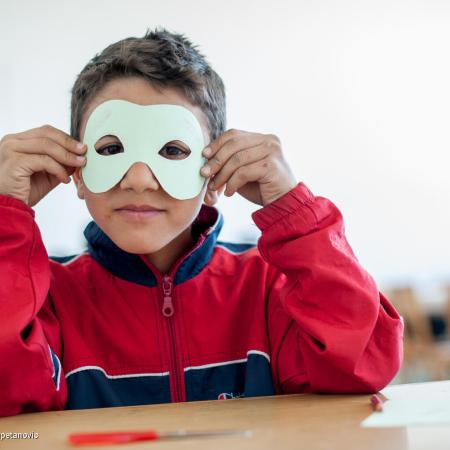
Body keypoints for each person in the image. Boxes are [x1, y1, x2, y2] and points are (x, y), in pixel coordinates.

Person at [0, 28, 403, 417]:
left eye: (173, 150)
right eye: (112, 148)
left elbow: (363, 364)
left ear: (213, 175)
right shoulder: (44, 299)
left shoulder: (267, 289)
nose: (139, 178)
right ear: (79, 173)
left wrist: (293, 209)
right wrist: (5, 220)